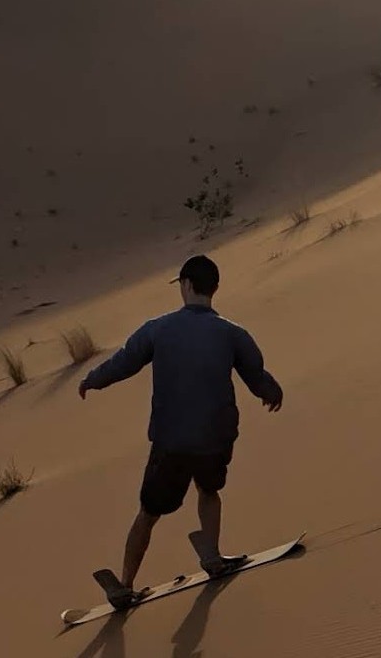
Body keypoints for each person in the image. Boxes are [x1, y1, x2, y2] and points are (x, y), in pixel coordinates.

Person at [78, 254, 283, 608]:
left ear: (186, 285)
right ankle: (212, 554)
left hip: (171, 441)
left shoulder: (157, 329)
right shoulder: (233, 333)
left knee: (149, 512)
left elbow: (123, 363)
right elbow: (256, 375)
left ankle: (125, 584)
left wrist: (92, 380)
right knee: (209, 490)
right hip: (216, 437)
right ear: (214, 288)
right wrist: (272, 392)